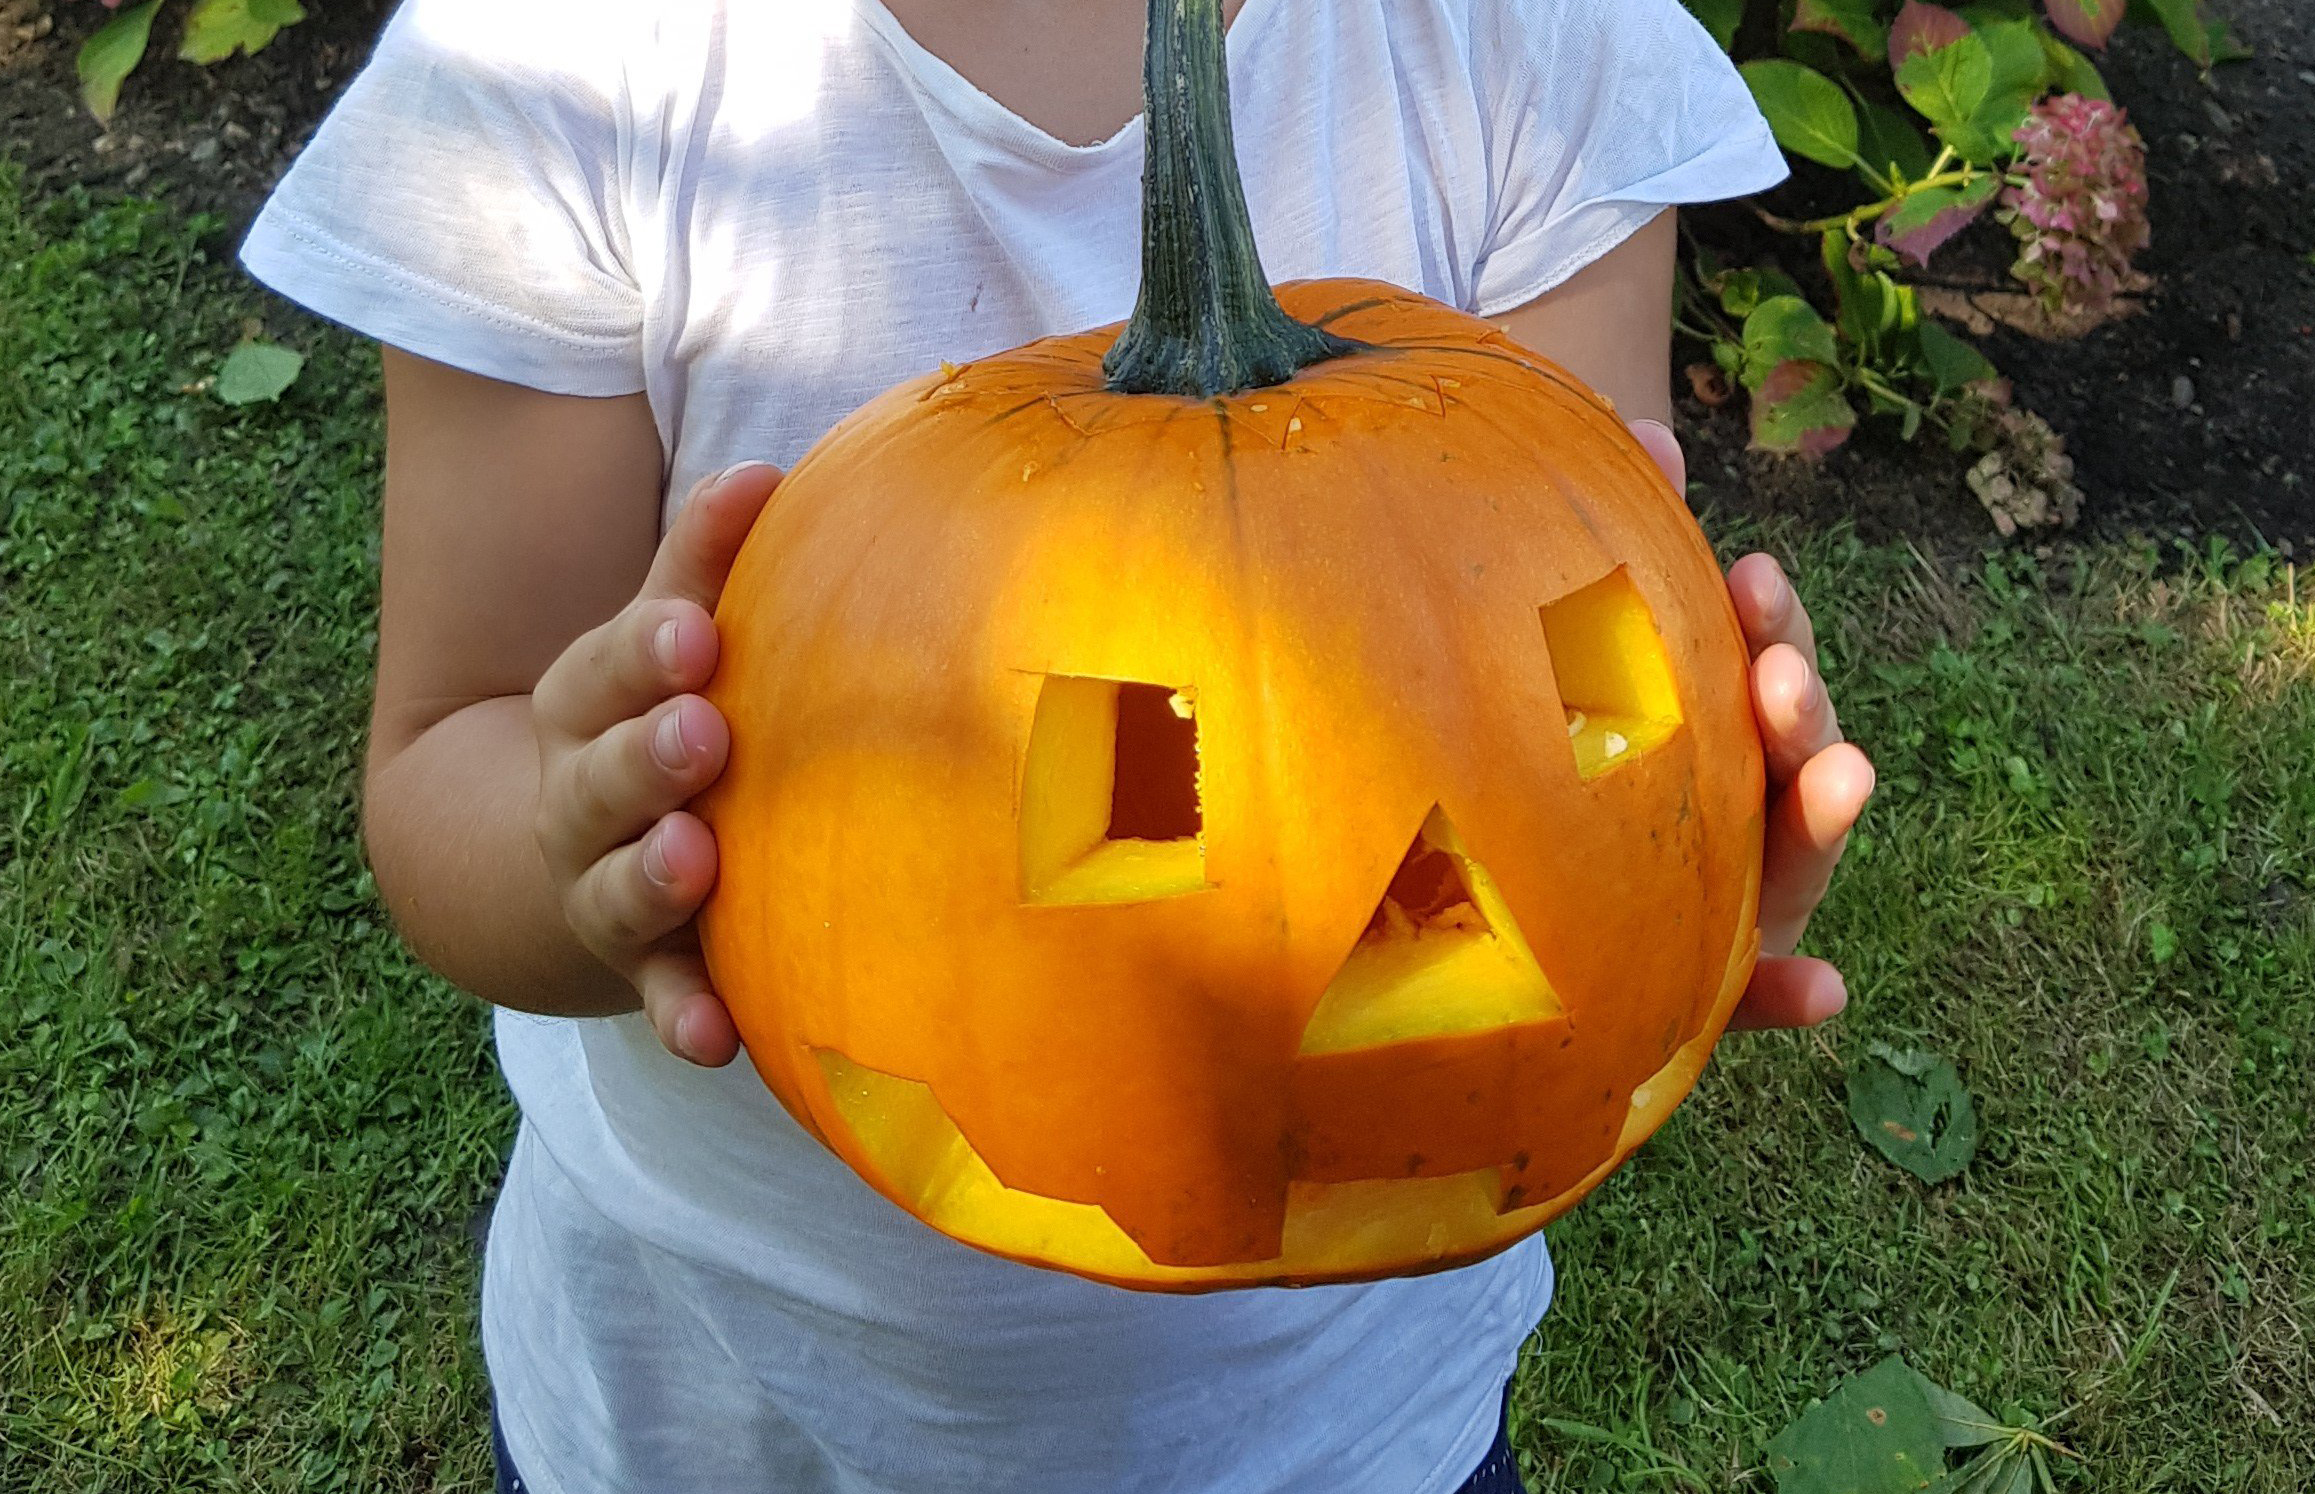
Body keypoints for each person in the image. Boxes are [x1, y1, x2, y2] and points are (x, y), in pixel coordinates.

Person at [240, 0, 1877, 1489]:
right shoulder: (564, 65)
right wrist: (584, 853)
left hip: (1350, 1439)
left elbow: (1576, 684)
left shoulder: (1529, 45)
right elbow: (449, 757)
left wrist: (1707, 852)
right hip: (720, 1416)